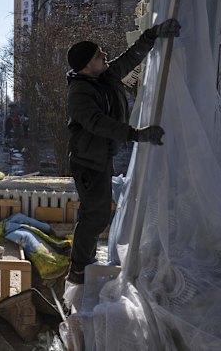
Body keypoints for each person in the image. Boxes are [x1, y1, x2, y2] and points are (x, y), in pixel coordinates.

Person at [65, 18, 181, 284]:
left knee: (96, 213)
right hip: (88, 162)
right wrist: (136, 135)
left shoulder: (104, 76)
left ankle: (83, 263)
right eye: (98, 54)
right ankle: (79, 269)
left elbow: (129, 59)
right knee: (96, 215)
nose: (104, 54)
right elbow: (97, 123)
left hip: (100, 157)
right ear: (86, 65)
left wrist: (151, 35)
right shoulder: (79, 92)